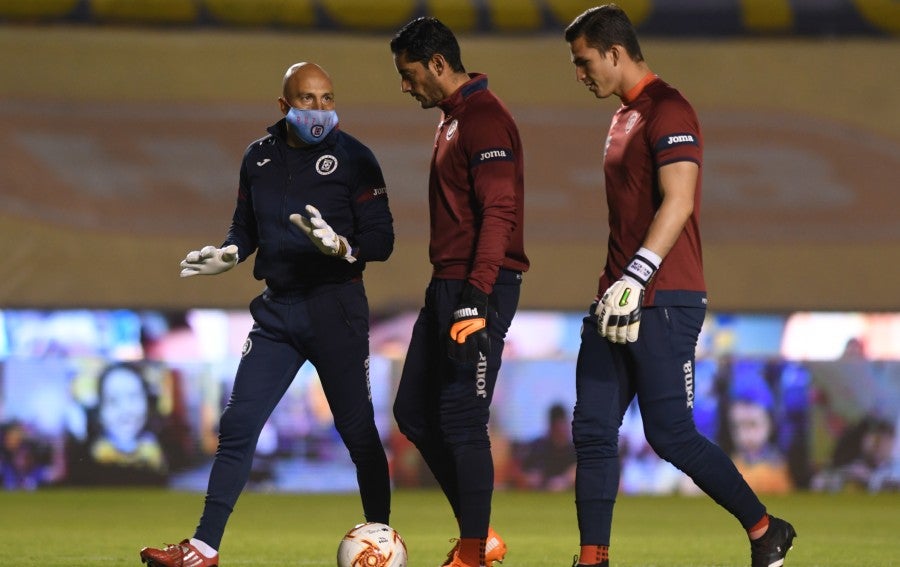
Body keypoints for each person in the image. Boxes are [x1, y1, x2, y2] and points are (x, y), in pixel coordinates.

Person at [563, 6, 796, 567]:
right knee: (592, 430)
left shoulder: (669, 108)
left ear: (615, 53)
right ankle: (592, 559)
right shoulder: (623, 116)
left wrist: (638, 276)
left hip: (663, 297)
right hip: (615, 297)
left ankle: (766, 530)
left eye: (584, 60)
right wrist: (616, 287)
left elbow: (680, 199)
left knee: (670, 436)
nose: (580, 73)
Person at [139, 61, 395, 567]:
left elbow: (382, 241)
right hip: (277, 313)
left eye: (327, 98)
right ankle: (204, 548)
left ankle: (382, 542)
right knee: (237, 424)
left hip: (336, 309)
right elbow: (244, 226)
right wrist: (231, 252)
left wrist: (343, 247)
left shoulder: (357, 159)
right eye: (307, 100)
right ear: (284, 106)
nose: (319, 110)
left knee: (358, 432)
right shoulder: (257, 157)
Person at [389, 17, 529, 567]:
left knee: (463, 417)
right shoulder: (454, 120)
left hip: (478, 288)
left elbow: (499, 212)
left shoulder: (484, 119)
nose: (405, 85)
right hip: (447, 284)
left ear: (438, 65)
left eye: (408, 73)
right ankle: (480, 534)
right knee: (414, 414)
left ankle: (473, 552)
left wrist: (477, 292)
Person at [518, 403, 577, 491]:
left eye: (563, 426)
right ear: (551, 427)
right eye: (557, 428)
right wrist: (528, 477)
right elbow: (519, 470)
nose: (561, 431)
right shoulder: (538, 447)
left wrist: (565, 480)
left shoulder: (574, 450)